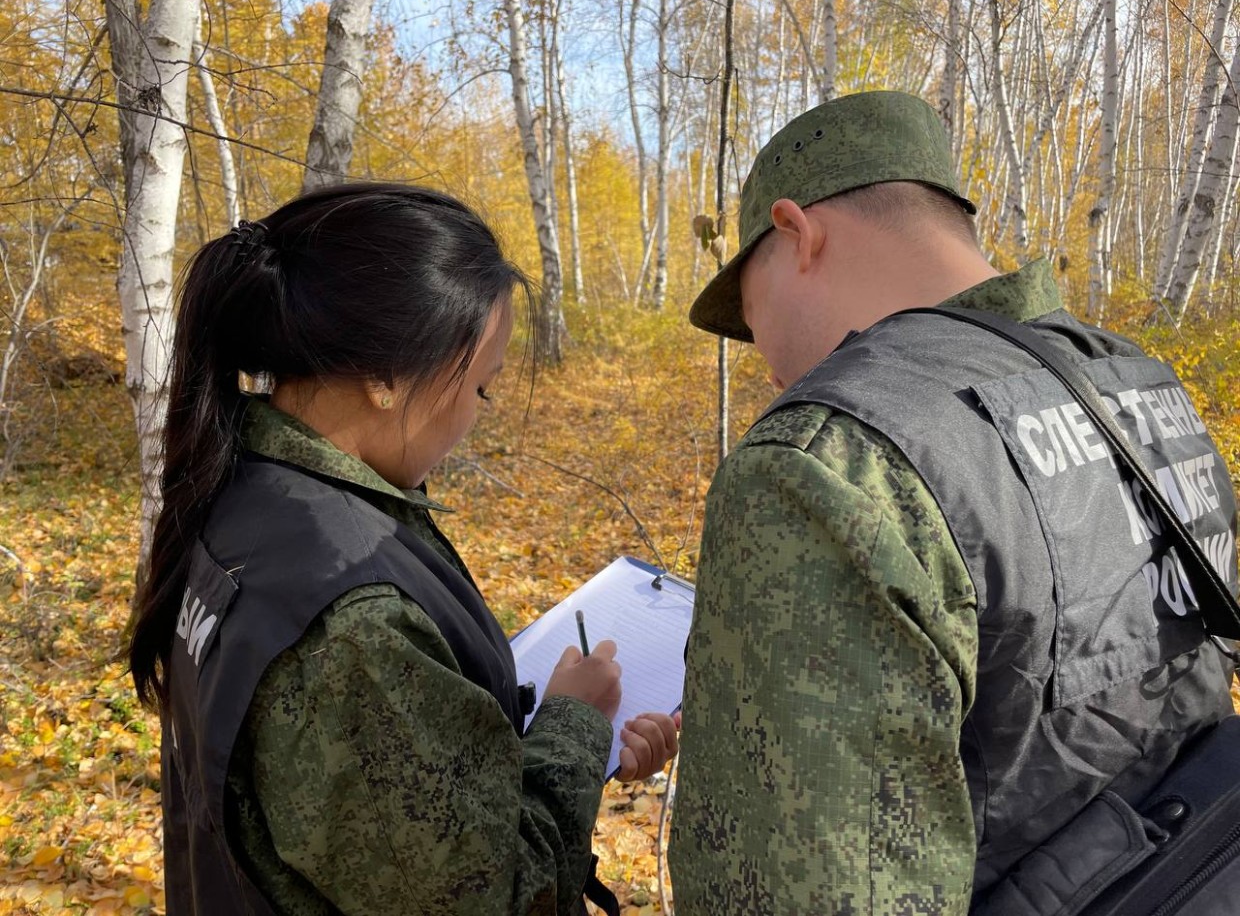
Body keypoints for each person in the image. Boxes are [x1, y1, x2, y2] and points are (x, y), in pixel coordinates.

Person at [669, 91, 1237, 914]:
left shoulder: (831, 458)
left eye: (754, 317)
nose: (769, 366)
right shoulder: (1133, 380)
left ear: (797, 233)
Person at [125, 183, 680, 915]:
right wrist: (575, 728)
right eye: (480, 389)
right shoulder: (350, 621)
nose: (474, 420)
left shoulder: (247, 494)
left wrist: (537, 730)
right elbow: (495, 896)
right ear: (385, 378)